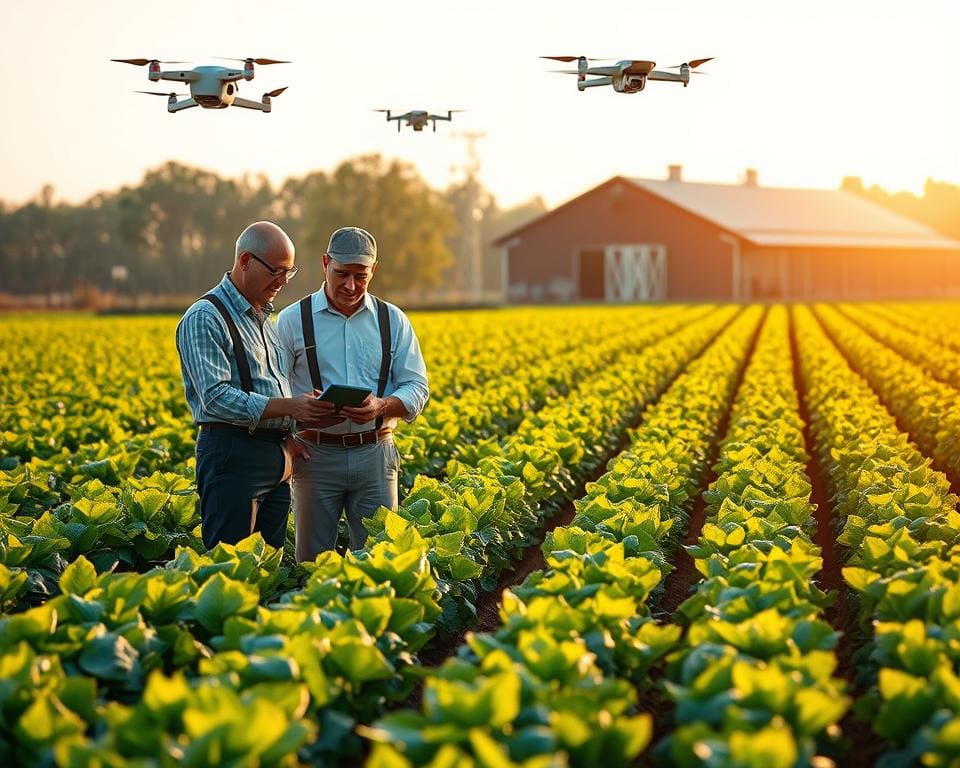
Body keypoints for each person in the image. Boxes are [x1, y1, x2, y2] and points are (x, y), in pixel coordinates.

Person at [277, 226, 429, 561]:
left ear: (373, 270)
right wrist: (291, 428)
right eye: (341, 274)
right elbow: (272, 388)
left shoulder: (393, 321)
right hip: (314, 455)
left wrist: (381, 406)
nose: (350, 285)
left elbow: (418, 386)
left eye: (360, 276)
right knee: (313, 563)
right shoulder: (292, 321)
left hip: (375, 455)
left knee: (380, 561)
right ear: (324, 263)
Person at [176, 221, 330, 550]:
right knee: (231, 569)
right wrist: (290, 407)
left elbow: (269, 386)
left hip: (276, 457)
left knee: (268, 567)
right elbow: (215, 399)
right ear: (245, 260)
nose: (283, 281)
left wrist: (290, 429)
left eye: (289, 271)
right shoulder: (206, 316)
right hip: (233, 456)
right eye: (277, 270)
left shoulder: (263, 318)